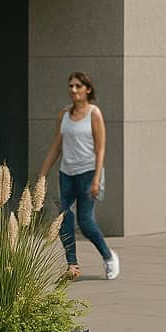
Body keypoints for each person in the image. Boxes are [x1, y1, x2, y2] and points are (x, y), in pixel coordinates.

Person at [38, 72, 119, 280]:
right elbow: (57, 146)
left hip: (88, 172)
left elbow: (101, 149)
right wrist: (43, 173)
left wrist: (96, 178)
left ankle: (109, 257)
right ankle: (72, 265)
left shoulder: (94, 114)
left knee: (85, 222)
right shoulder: (64, 115)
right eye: (71, 86)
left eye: (77, 86)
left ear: (87, 90)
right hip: (67, 173)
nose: (73, 90)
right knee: (64, 219)